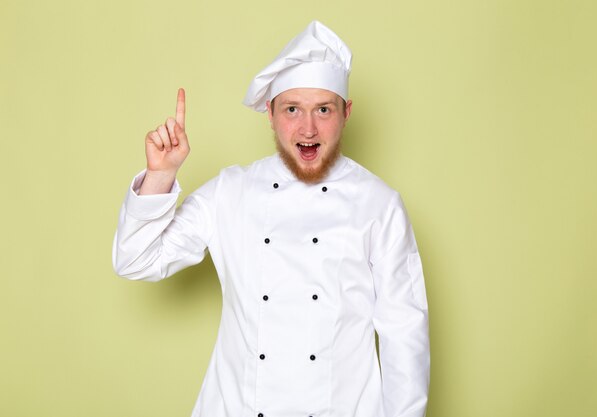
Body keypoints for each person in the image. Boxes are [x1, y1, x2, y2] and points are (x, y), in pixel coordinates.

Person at [113, 20, 430, 417]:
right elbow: (135, 260)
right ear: (270, 112)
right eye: (292, 109)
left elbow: (405, 336)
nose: (308, 129)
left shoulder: (379, 205)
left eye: (324, 110)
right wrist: (160, 175)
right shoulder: (230, 192)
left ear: (347, 112)